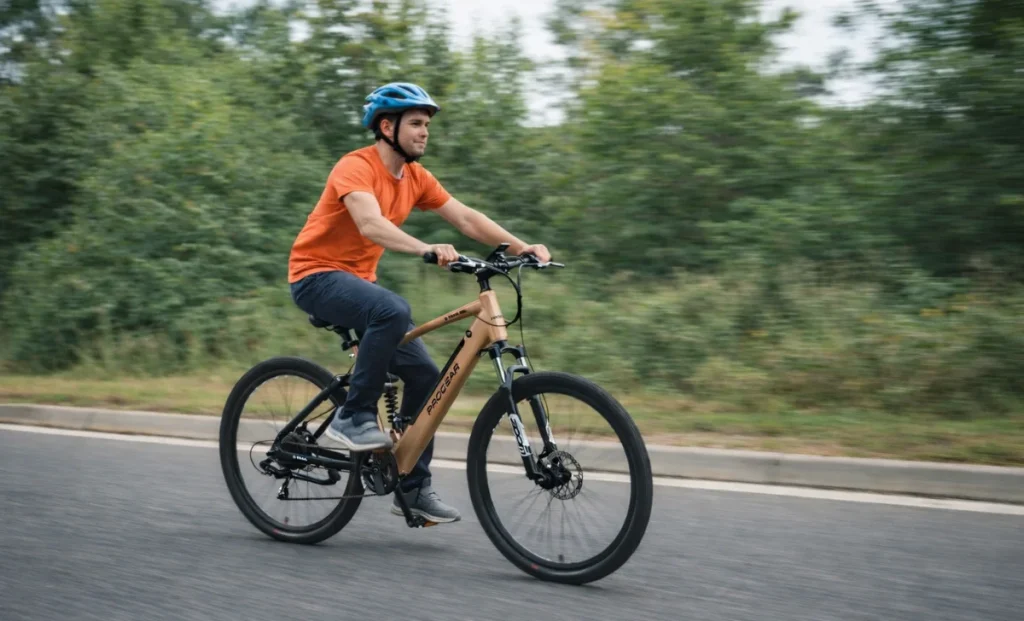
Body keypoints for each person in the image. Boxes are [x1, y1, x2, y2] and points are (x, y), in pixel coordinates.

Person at [287, 82, 551, 524]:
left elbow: (466, 217)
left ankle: (411, 486)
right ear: (386, 127)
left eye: (427, 125)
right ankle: (352, 418)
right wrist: (424, 247)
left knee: (428, 376)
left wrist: (523, 247)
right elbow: (370, 224)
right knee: (391, 309)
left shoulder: (415, 178)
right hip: (315, 276)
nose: (424, 132)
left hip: (357, 283)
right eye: (415, 124)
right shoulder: (355, 167)